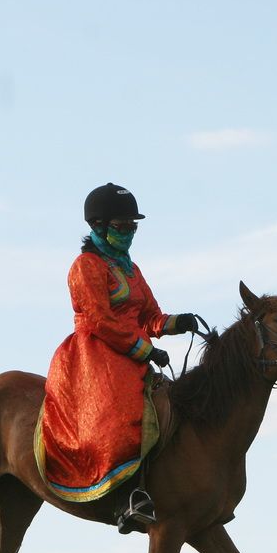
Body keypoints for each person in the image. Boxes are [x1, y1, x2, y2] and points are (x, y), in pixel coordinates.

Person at [40, 182, 198, 533]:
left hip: (135, 351)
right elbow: (101, 321)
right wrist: (146, 349)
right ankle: (124, 497)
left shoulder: (130, 268)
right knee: (120, 417)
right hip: (98, 351)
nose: (128, 233)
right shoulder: (86, 266)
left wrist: (176, 324)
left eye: (132, 227)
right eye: (121, 227)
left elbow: (150, 317)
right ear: (98, 227)